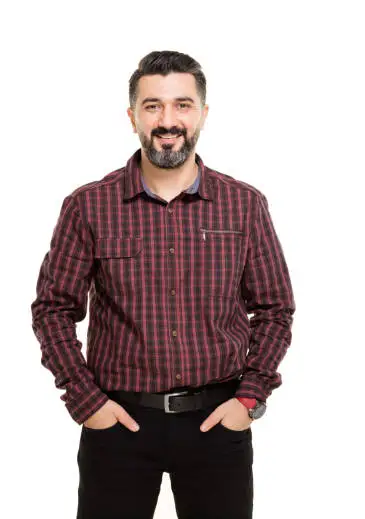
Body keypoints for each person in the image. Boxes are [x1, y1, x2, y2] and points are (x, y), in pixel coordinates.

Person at [30, 50, 296, 519]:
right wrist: (87, 403)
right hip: (119, 425)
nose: (168, 120)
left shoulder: (244, 205)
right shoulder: (88, 206)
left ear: (203, 115)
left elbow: (275, 309)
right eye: (153, 106)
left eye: (182, 105)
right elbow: (52, 309)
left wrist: (249, 399)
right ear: (133, 115)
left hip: (218, 422)